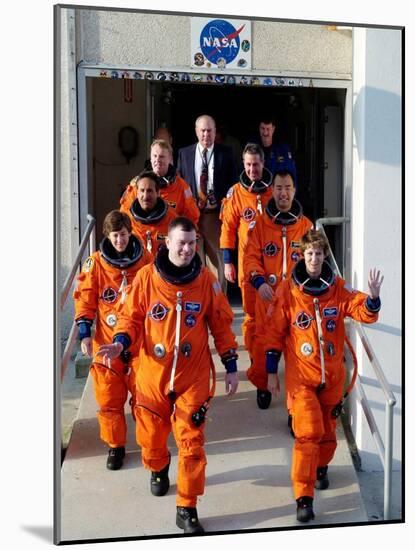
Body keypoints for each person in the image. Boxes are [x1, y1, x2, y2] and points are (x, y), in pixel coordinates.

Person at [97, 217, 239, 534]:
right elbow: (130, 318)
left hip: (193, 376)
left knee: (191, 444)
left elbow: (220, 324)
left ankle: (187, 506)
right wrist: (121, 342)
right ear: (168, 244)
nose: (187, 249)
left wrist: (230, 365)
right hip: (152, 375)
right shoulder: (147, 278)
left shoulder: (206, 281)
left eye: (192, 243)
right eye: (181, 243)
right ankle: (158, 466)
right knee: (150, 438)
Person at [264, 229, 383, 523]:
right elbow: (274, 333)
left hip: (331, 377)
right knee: (308, 433)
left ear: (324, 256)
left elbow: (360, 309)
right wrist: (270, 373)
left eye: (318, 254)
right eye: (309, 254)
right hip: (302, 379)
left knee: (328, 433)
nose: (314, 259)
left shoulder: (336, 288)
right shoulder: (288, 292)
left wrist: (373, 300)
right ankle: (303, 497)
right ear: (302, 257)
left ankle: (321, 467)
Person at [73, 210, 152, 470]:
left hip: (139, 343)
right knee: (108, 398)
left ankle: (149, 444)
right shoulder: (96, 264)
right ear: (108, 236)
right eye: (115, 236)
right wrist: (85, 333)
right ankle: (115, 445)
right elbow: (85, 299)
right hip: (107, 342)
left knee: (146, 398)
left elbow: (157, 298)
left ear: (131, 233)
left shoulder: (145, 262)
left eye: (124, 235)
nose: (120, 241)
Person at [243, 164, 313, 410]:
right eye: (279, 188)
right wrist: (258, 281)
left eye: (288, 188)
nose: (283, 193)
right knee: (263, 346)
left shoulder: (305, 226)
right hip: (268, 299)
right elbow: (250, 257)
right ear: (272, 191)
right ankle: (263, 385)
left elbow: (315, 259)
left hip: (296, 301)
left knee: (297, 355)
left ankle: (297, 409)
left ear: (294, 191)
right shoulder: (260, 225)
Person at [219, 142, 273, 359]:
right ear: (243, 164)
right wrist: (227, 261)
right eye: (248, 165)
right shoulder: (236, 194)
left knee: (274, 313)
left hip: (273, 263)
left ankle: (270, 352)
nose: (252, 170)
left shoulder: (274, 190)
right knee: (251, 315)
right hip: (247, 266)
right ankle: (254, 357)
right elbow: (228, 230)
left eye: (256, 164)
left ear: (263, 163)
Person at [177, 114, 237, 291]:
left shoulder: (226, 154)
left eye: (210, 130)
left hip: (214, 216)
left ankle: (217, 305)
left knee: (217, 265)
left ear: (215, 132)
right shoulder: (184, 153)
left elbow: (233, 186)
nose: (206, 134)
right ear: (196, 132)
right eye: (202, 130)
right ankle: (197, 303)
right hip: (191, 217)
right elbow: (180, 184)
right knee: (192, 261)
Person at [122, 140, 200, 226]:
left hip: (169, 235)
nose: (157, 160)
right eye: (154, 156)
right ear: (150, 158)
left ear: (169, 159)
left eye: (161, 157)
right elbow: (124, 214)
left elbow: (192, 217)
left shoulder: (181, 186)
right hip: (141, 234)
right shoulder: (137, 184)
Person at [120, 170, 177, 257]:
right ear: (137, 193)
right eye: (142, 191)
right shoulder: (126, 220)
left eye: (150, 191)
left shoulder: (172, 220)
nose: (145, 196)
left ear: (158, 193)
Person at [251, 115, 297, 181]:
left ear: (273, 129)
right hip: (257, 189)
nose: (265, 132)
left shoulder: (283, 150)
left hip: (277, 189)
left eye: (268, 129)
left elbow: (292, 174)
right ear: (259, 129)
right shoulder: (252, 149)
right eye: (262, 128)